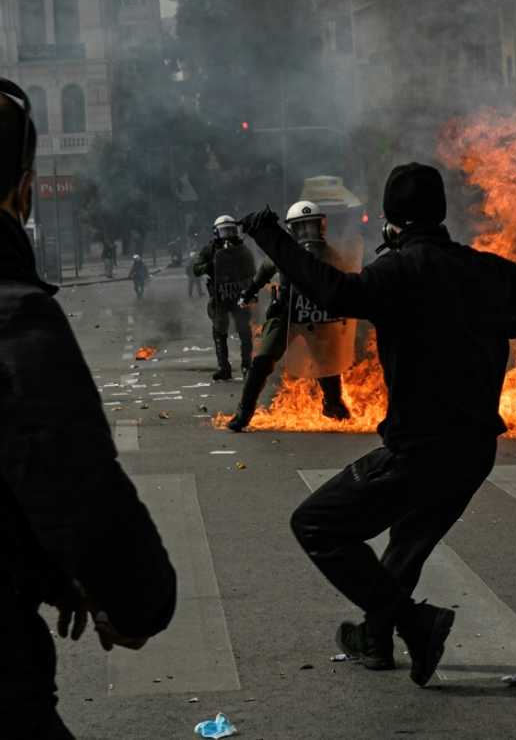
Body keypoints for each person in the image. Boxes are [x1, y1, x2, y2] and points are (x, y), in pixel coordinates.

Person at [238, 163, 516, 687]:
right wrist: (496, 321)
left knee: (316, 526)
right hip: (473, 452)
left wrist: (269, 234)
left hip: (421, 449)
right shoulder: (484, 271)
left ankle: (416, 624)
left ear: (392, 222)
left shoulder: (397, 272)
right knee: (406, 544)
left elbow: (334, 293)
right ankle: (376, 640)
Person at [0, 79, 177, 739]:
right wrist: (134, 603)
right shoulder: (15, 318)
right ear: (24, 194)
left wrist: (50, 574)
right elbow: (73, 484)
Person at [227, 201, 351, 430]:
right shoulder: (285, 253)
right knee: (262, 361)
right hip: (285, 312)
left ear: (321, 226)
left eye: (311, 226)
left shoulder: (331, 255)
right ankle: (243, 413)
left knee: (327, 363)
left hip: (314, 314)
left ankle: (333, 404)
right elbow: (265, 270)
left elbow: (341, 283)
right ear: (292, 230)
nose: (307, 233)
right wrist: (250, 291)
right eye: (302, 228)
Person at [192, 215, 256, 380]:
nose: (227, 235)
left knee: (245, 332)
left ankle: (246, 366)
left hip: (239, 295)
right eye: (223, 231)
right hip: (220, 298)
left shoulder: (242, 250)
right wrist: (210, 266)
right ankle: (224, 368)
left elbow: (251, 271)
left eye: (230, 230)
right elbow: (196, 269)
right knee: (220, 333)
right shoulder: (210, 250)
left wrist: (251, 292)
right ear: (216, 233)